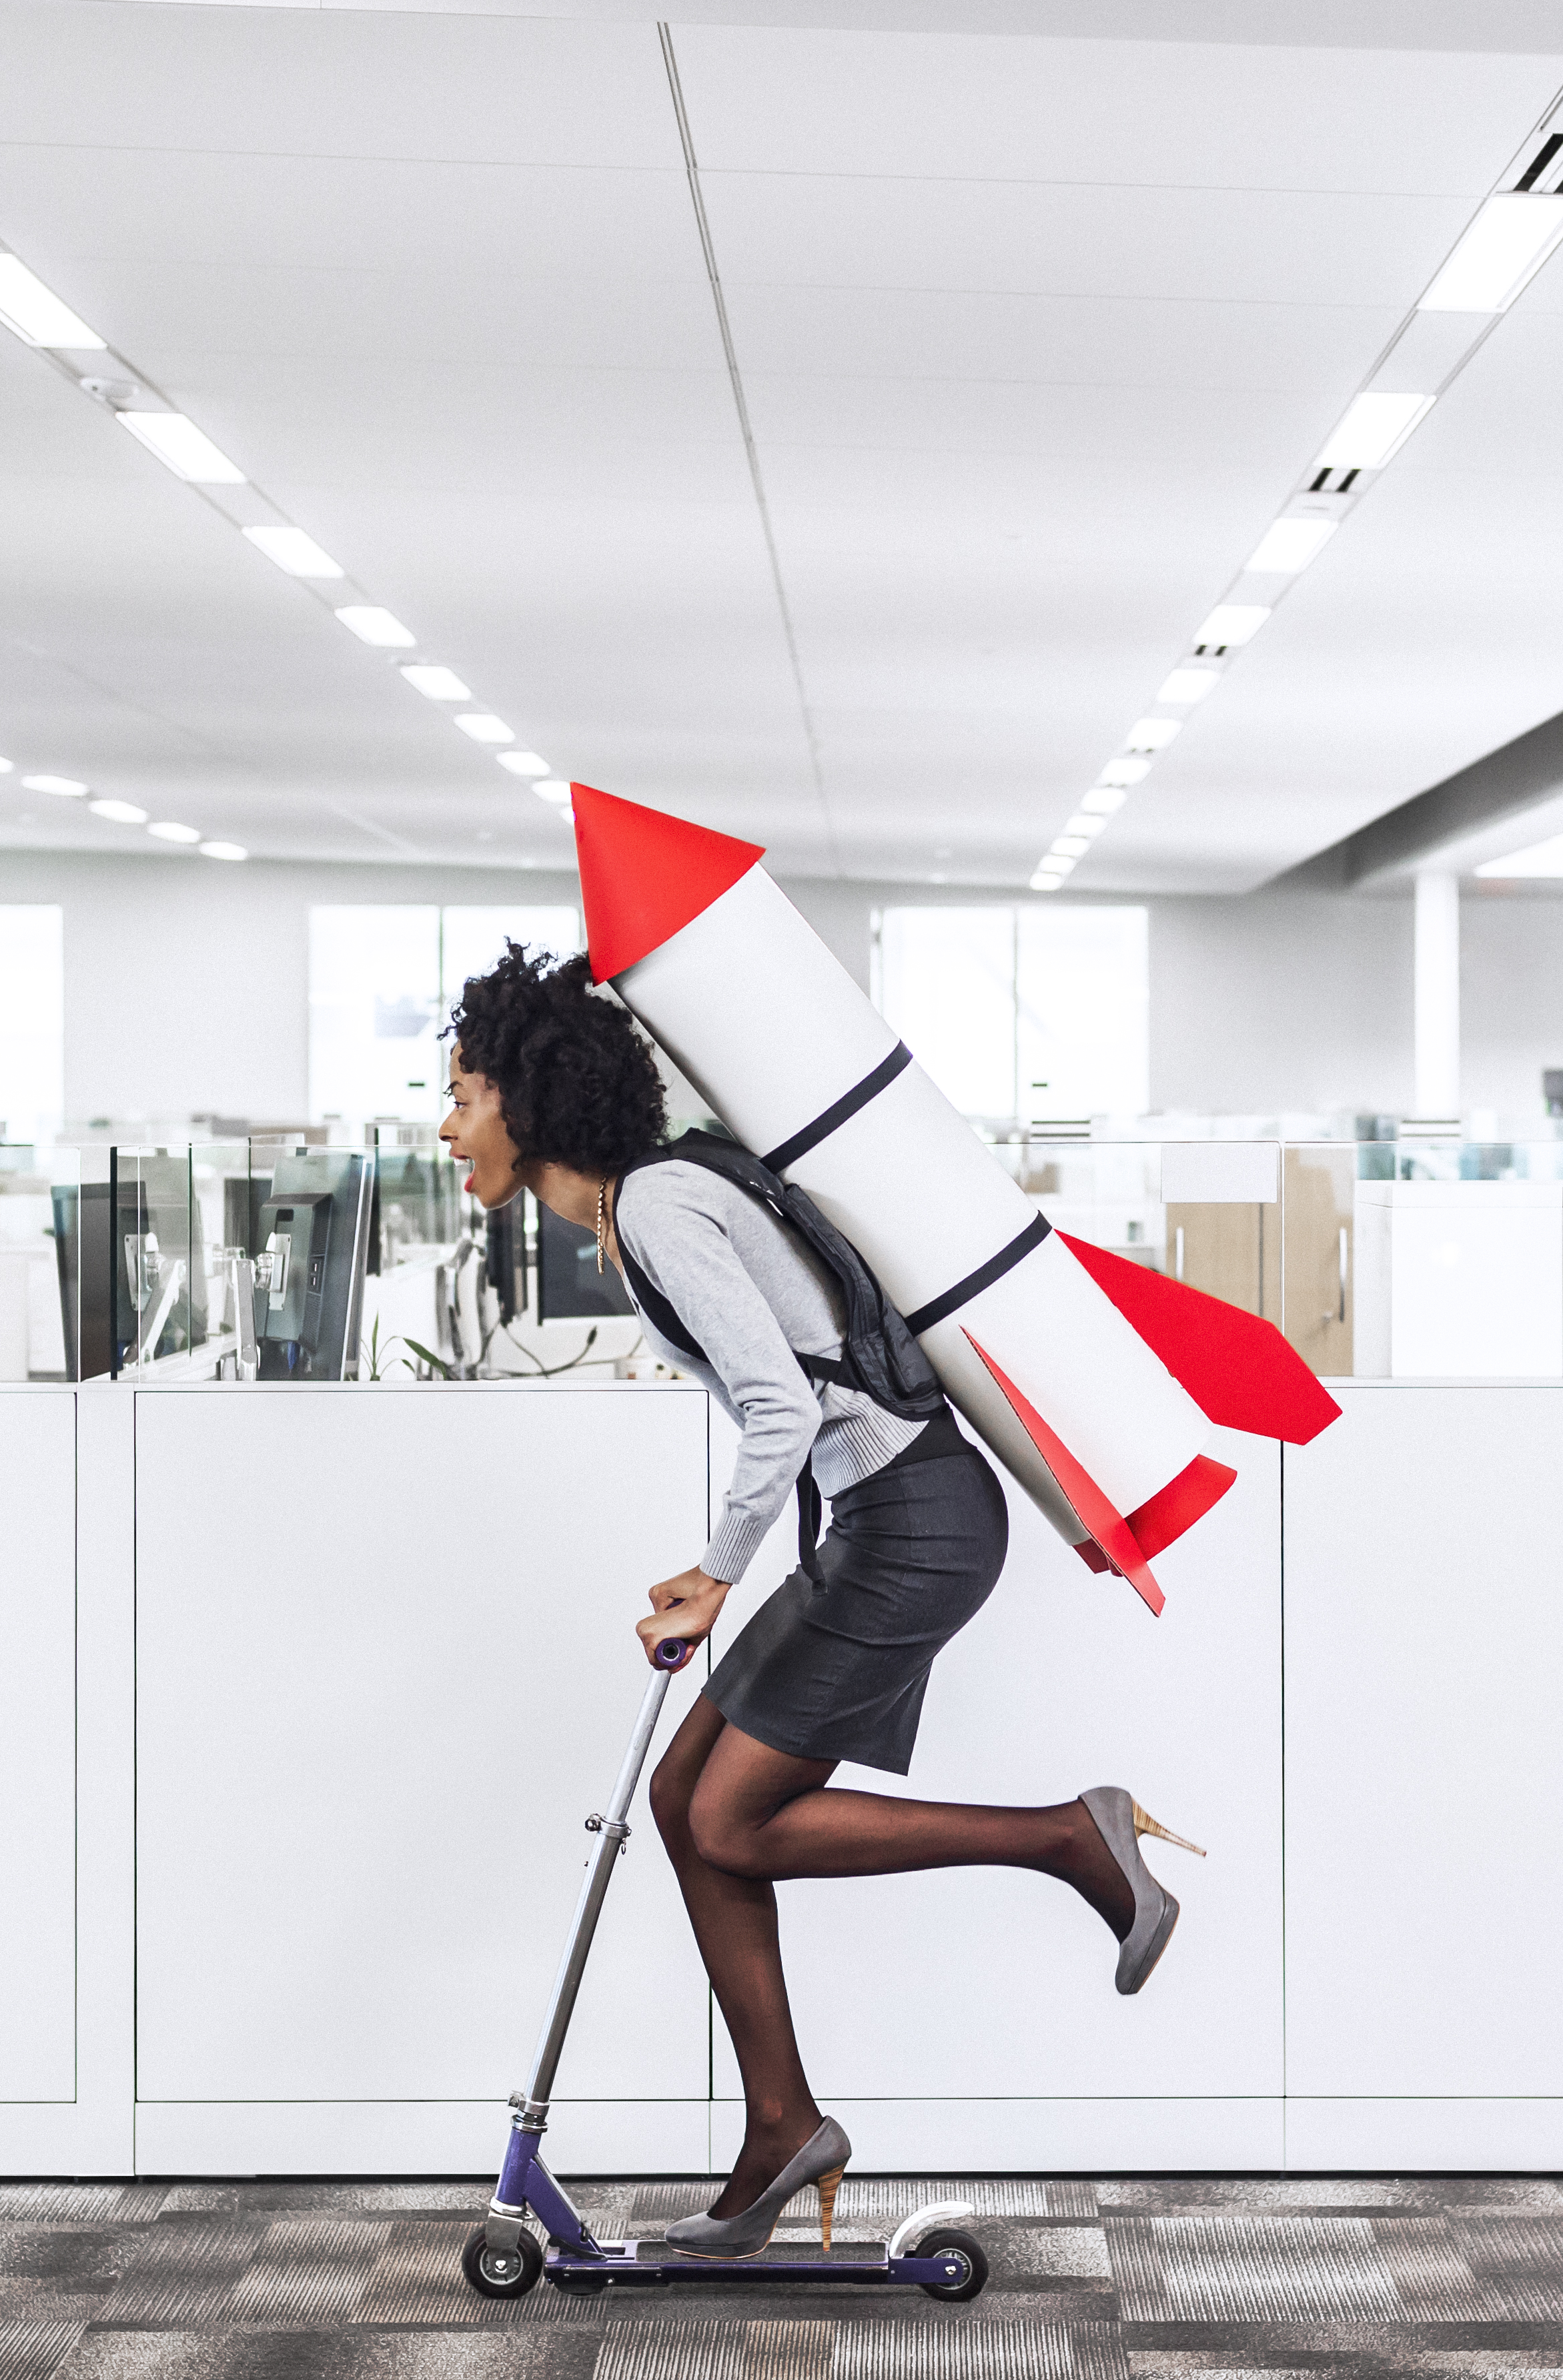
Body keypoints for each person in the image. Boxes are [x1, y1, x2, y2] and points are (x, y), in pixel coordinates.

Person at [436, 947, 1199, 2257]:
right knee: (685, 1808)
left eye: (461, 1094)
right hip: (881, 1522)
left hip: (913, 1529)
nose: (445, 1125)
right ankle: (781, 2127)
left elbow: (783, 1407)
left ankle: (1073, 1839)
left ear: (528, 1100)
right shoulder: (643, 1208)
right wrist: (716, 1570)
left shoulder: (662, 1208)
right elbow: (791, 1398)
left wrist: (716, 1576)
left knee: (730, 1818)